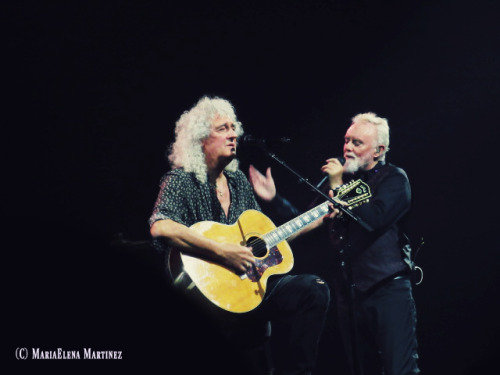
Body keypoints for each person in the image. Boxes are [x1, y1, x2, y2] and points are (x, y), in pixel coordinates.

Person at [148, 95, 332, 375]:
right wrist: (223, 252)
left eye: (234, 127)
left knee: (314, 289)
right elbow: (161, 226)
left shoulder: (238, 182)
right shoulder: (180, 180)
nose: (233, 134)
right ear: (200, 139)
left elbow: (266, 239)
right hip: (202, 300)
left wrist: (317, 220)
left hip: (246, 294)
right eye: (223, 129)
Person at [249, 112, 419, 375]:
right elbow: (304, 222)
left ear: (379, 150)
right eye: (346, 140)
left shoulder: (394, 179)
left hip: (388, 290)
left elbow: (373, 220)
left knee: (400, 370)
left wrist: (337, 184)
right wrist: (274, 199)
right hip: (349, 295)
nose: (347, 148)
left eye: (357, 143)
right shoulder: (344, 183)